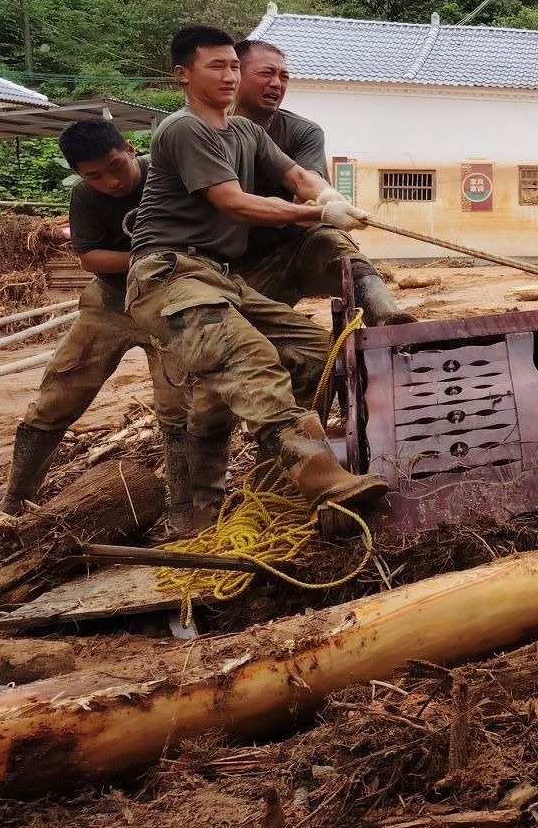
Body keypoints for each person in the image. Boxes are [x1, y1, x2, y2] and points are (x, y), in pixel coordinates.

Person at [125, 25, 387, 514]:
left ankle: (276, 483)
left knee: (316, 352)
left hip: (220, 277)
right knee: (251, 361)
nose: (229, 76)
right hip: (168, 276)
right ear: (183, 75)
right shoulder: (184, 128)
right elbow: (235, 203)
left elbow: (297, 175)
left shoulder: (246, 132)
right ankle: (318, 478)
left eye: (232, 65)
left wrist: (328, 196)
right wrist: (315, 214)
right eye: (216, 66)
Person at [0, 120, 211, 534]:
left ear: (130, 149)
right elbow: (90, 258)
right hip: (110, 304)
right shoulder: (84, 196)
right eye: (94, 175)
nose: (111, 181)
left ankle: (184, 509)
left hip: (172, 306)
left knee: (178, 409)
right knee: (57, 395)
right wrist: (151, 257)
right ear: (80, 175)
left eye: (116, 166)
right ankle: (15, 499)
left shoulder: (167, 176)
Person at [230, 39, 413, 324]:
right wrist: (313, 210)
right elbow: (229, 204)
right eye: (266, 73)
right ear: (234, 74)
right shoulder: (200, 132)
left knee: (336, 245)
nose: (277, 83)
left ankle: (388, 320)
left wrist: (328, 199)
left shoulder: (302, 131)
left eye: (284, 76)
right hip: (227, 264)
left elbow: (306, 180)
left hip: (293, 249)